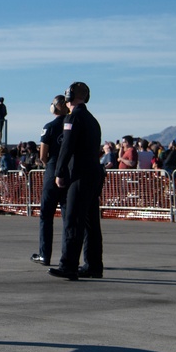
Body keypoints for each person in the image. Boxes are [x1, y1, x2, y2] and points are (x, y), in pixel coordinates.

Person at [49, 81, 104, 281]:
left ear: (70, 96)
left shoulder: (74, 118)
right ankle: (93, 265)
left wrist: (60, 171)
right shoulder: (91, 119)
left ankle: (68, 265)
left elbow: (67, 147)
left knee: (73, 219)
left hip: (79, 174)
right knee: (91, 223)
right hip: (93, 174)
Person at [31, 95, 69, 267]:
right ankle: (68, 256)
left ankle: (44, 254)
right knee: (69, 217)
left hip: (53, 170)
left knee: (46, 214)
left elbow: (43, 155)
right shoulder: (72, 126)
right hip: (69, 172)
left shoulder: (50, 127)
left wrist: (50, 166)